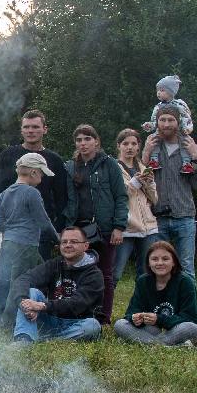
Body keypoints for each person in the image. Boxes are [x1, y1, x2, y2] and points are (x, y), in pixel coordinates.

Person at [63, 125, 127, 324]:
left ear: (96, 141)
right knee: (78, 272)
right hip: (78, 229)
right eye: (79, 140)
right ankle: (80, 312)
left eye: (87, 139)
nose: (83, 143)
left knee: (105, 273)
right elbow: (66, 198)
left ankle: (103, 317)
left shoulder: (110, 165)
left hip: (104, 228)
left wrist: (119, 226)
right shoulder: (70, 167)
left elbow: (121, 196)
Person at [0, 154, 60, 325]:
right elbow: (44, 222)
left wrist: (11, 232)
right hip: (26, 245)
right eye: (42, 174)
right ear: (34, 172)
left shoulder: (5, 193)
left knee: (5, 278)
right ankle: (9, 321)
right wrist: (59, 239)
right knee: (19, 282)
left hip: (8, 243)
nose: (42, 178)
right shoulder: (32, 193)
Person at [7, 227, 104, 344]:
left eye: (74, 242)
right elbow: (23, 279)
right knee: (32, 292)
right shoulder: (55, 264)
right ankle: (24, 339)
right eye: (64, 242)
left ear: (86, 246)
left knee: (93, 326)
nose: (68, 245)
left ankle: (46, 339)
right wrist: (24, 304)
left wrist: (43, 306)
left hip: (76, 322)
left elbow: (77, 304)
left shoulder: (94, 275)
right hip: (51, 318)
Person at [0, 110, 68, 259]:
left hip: (42, 227)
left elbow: (62, 197)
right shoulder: (8, 155)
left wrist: (58, 229)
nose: (30, 131)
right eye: (26, 127)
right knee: (12, 275)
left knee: (39, 276)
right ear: (21, 130)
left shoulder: (55, 160)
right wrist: (5, 226)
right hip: (14, 228)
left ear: (44, 129)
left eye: (35, 127)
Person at [143, 106, 197, 277]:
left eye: (171, 120)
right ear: (157, 122)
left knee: (186, 267)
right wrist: (146, 153)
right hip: (157, 216)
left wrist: (194, 158)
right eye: (162, 120)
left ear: (178, 123)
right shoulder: (152, 146)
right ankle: (160, 303)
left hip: (184, 216)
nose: (166, 124)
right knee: (155, 268)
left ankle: (187, 304)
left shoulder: (191, 147)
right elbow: (141, 181)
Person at [114, 240, 197, 347]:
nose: (160, 263)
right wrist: (135, 318)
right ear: (148, 263)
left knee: (189, 327)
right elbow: (131, 312)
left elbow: (190, 317)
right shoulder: (142, 281)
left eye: (165, 259)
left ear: (174, 262)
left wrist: (159, 319)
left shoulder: (185, 282)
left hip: (183, 330)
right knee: (120, 324)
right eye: (154, 259)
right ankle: (168, 347)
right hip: (157, 331)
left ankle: (146, 343)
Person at [111, 128, 160, 287]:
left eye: (134, 143)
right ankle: (103, 310)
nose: (130, 147)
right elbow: (118, 195)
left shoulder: (143, 167)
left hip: (148, 228)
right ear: (119, 146)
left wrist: (149, 182)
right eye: (125, 143)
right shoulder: (113, 167)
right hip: (125, 228)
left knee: (146, 274)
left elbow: (154, 200)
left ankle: (142, 310)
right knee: (115, 273)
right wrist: (135, 182)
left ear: (139, 146)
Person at [142, 74, 194, 139]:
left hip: (178, 135)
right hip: (162, 136)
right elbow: (155, 122)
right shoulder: (158, 107)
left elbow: (186, 117)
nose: (158, 93)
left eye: (162, 90)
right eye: (157, 90)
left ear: (171, 92)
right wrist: (150, 125)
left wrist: (187, 128)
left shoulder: (178, 104)